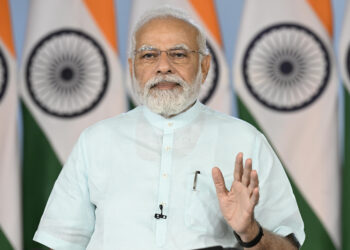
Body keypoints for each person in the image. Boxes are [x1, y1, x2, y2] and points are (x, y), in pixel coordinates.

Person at [33, 6, 305, 250]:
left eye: (178, 54)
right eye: (149, 55)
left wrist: (250, 232)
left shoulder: (245, 141)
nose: (163, 67)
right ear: (132, 68)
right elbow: (61, 241)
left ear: (205, 66)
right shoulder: (97, 140)